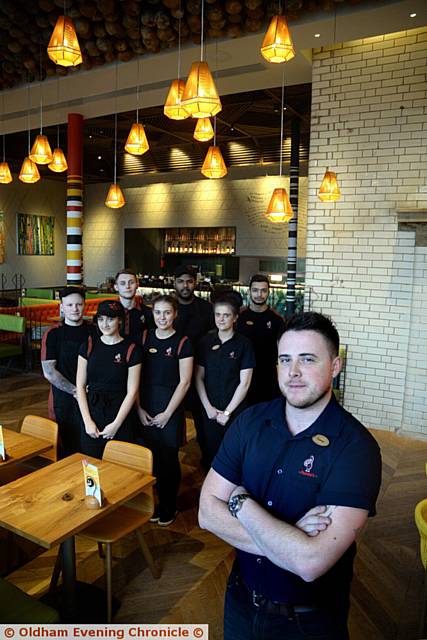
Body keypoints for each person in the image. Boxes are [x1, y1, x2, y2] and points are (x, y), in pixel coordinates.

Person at [199, 312, 382, 640]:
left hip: (307, 622)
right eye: (285, 360)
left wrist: (241, 501)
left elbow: (310, 563)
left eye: (308, 359)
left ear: (335, 367)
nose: (293, 372)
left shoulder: (356, 448)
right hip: (240, 601)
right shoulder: (250, 422)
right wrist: (291, 536)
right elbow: (206, 514)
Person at [136, 295, 193, 526]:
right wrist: (138, 408)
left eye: (167, 312)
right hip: (145, 404)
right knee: (150, 458)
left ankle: (170, 506)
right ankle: (155, 504)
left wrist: (168, 413)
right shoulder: (143, 337)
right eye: (158, 312)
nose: (162, 317)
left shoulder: (183, 342)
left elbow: (185, 382)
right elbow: (135, 377)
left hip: (170, 407)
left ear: (175, 314)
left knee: (168, 459)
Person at [76, 300, 142, 459]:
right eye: (101, 319)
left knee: (120, 465)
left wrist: (116, 425)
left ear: (119, 320)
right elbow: (80, 385)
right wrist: (87, 421)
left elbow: (132, 392)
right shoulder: (88, 346)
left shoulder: (132, 349)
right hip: (92, 411)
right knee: (91, 463)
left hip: (120, 412)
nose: (105, 324)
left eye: (110, 319)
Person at [195, 294, 255, 468]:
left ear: (235, 317)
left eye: (226, 315)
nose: (221, 319)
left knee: (234, 457)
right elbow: (198, 377)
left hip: (234, 411)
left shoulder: (244, 344)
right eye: (217, 315)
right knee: (209, 454)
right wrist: (208, 408)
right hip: (209, 410)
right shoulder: (205, 342)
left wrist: (227, 413)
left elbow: (244, 383)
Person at [41, 287, 97, 457]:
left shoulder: (94, 330)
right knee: (66, 443)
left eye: (79, 304)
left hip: (91, 394)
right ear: (62, 307)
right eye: (70, 304)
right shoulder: (53, 333)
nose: (75, 308)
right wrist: (75, 391)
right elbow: (49, 372)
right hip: (63, 397)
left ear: (84, 305)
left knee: (90, 441)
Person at [173, 265, 215, 468]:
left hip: (201, 373)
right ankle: (173, 460)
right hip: (172, 375)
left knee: (203, 421)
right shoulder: (169, 308)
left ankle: (208, 463)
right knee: (173, 419)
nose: (185, 285)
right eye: (181, 281)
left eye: (189, 281)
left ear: (195, 283)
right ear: (174, 283)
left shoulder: (207, 309)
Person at [237, 274, 285, 405]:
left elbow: (283, 352)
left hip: (268, 378)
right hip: (242, 377)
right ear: (249, 291)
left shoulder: (277, 320)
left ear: (269, 292)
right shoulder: (239, 317)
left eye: (263, 290)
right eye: (255, 290)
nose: (259, 294)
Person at [114, 268, 153, 342]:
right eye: (122, 283)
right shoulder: (109, 312)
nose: (127, 286)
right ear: (116, 287)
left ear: (137, 285)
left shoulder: (148, 313)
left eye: (131, 282)